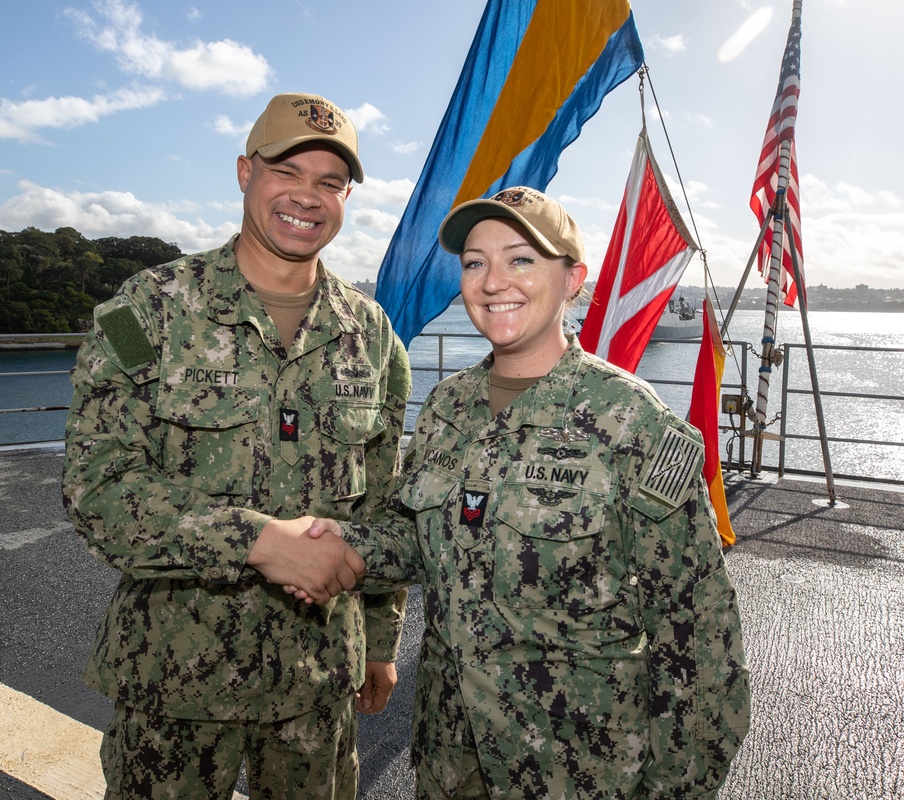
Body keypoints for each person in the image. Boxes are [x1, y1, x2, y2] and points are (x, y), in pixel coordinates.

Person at [301, 186, 751, 798]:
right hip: (450, 760)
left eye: (521, 259)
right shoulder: (445, 407)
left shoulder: (632, 423)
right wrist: (324, 543)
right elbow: (417, 546)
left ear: (573, 279)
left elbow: (700, 640)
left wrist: (676, 790)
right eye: (475, 262)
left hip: (575, 768)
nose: (493, 281)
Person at [62, 91, 412, 800]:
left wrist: (378, 646)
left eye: (330, 183)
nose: (308, 198)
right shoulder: (145, 310)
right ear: (245, 172)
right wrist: (257, 540)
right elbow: (97, 485)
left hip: (317, 684)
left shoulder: (373, 335)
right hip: (176, 683)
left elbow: (383, 507)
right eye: (288, 172)